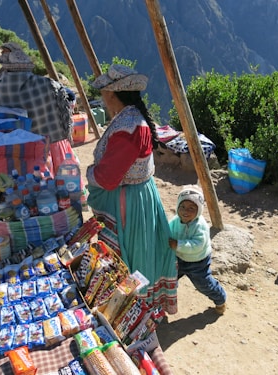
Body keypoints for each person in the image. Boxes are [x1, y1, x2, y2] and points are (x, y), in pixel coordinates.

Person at [86, 64, 178, 314]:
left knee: (131, 253)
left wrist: (88, 173)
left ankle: (130, 309)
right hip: (142, 195)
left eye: (104, 92)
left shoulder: (128, 128)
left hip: (130, 202)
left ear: (112, 94)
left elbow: (108, 178)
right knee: (145, 248)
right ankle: (141, 305)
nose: (102, 97)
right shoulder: (132, 119)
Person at [168, 185, 227, 314]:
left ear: (199, 211)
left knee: (203, 285)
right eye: (182, 207)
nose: (185, 211)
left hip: (197, 262)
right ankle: (163, 302)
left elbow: (197, 245)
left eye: (191, 208)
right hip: (178, 258)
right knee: (168, 280)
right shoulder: (175, 221)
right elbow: (168, 232)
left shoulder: (200, 226)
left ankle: (220, 299)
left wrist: (178, 244)